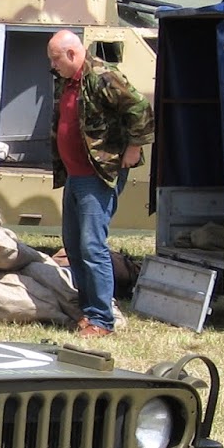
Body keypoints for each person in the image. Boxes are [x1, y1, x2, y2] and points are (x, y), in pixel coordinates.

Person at [47, 30, 151, 337]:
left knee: (93, 246)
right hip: (75, 176)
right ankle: (87, 309)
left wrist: (133, 148)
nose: (53, 65)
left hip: (98, 175)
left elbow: (140, 108)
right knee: (75, 246)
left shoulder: (103, 77)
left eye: (55, 59)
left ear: (71, 54)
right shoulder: (67, 80)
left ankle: (102, 319)